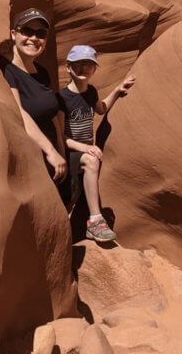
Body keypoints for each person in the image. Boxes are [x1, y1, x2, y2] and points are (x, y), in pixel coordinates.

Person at [61, 45, 135, 242]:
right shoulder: (62, 98)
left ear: (94, 69)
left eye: (89, 64)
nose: (84, 68)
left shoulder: (91, 92)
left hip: (86, 149)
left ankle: (90, 222)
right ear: (68, 68)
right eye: (79, 64)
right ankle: (94, 222)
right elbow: (60, 137)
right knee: (89, 164)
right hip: (70, 151)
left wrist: (118, 91)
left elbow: (101, 109)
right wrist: (85, 148)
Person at [0, 8, 70, 201]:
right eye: (27, 31)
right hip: (32, 157)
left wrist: (60, 148)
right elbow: (20, 114)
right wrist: (50, 152)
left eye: (40, 33)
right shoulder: (7, 72)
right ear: (14, 34)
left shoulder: (42, 72)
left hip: (53, 156)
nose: (33, 38)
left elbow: (52, 113)